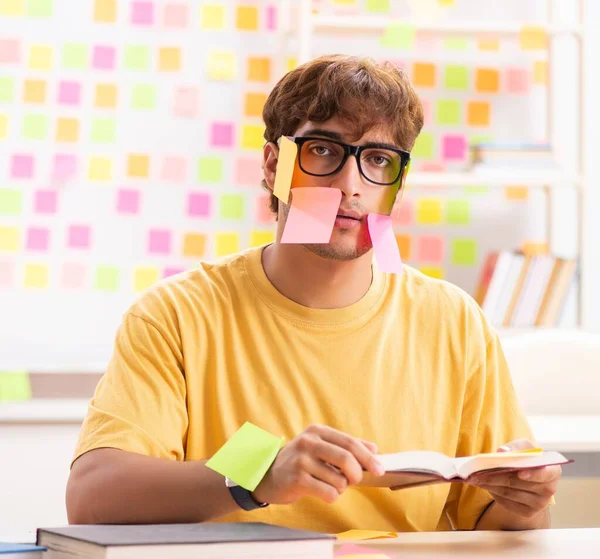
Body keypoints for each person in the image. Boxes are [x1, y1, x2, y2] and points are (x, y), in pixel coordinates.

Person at [66, 54, 561, 533]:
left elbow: (494, 523)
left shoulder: (453, 321)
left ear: (397, 184)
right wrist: (257, 471)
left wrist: (525, 505)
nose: (351, 185)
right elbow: (92, 498)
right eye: (323, 150)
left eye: (379, 160)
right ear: (272, 165)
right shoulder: (177, 313)